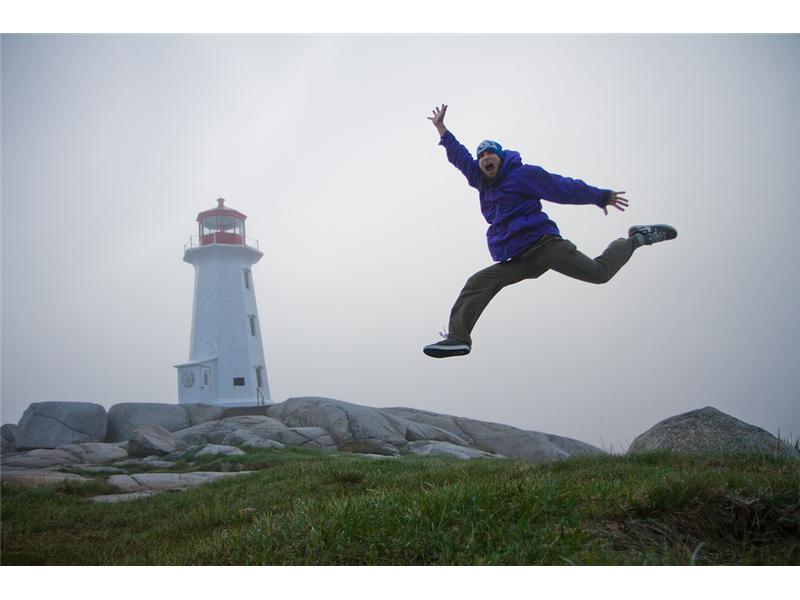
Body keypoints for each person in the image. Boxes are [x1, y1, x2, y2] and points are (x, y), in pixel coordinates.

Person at [423, 104, 677, 358]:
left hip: (545, 246)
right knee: (478, 282)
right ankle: (458, 338)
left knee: (599, 273)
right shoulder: (482, 182)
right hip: (519, 259)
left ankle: (636, 238)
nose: (485, 158)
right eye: (481, 156)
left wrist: (599, 196)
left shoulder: (522, 175)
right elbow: (459, 156)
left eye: (491, 154)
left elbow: (561, 187)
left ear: (500, 157)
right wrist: (441, 127)